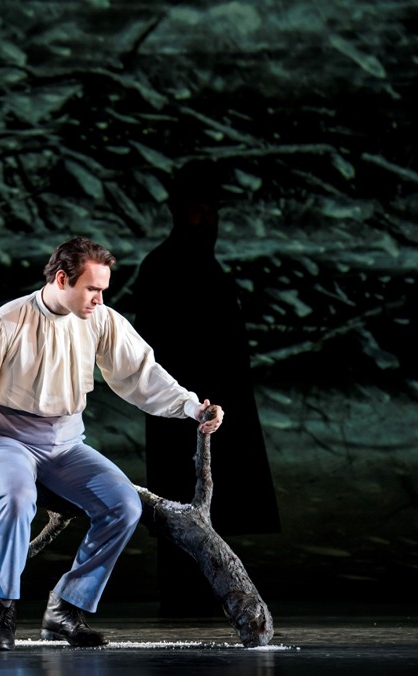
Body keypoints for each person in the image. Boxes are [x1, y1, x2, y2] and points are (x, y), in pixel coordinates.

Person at [0, 237, 224, 650]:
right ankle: (2, 612)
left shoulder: (99, 319)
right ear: (62, 279)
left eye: (103, 290)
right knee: (19, 498)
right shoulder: (7, 322)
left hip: (66, 443)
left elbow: (140, 372)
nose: (98, 298)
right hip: (9, 440)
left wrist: (190, 407)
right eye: (92, 289)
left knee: (123, 505)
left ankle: (65, 608)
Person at [131, 161, 280, 617]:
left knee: (211, 509)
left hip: (212, 409)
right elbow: (152, 353)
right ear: (179, 211)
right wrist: (187, 403)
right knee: (183, 510)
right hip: (183, 413)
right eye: (198, 209)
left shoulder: (201, 264)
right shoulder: (163, 267)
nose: (207, 219)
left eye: (211, 210)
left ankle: (209, 602)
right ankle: (184, 604)